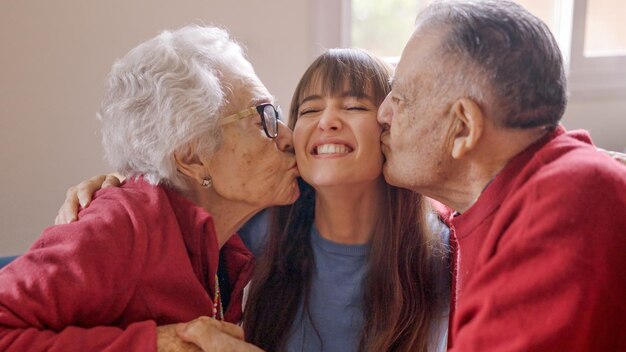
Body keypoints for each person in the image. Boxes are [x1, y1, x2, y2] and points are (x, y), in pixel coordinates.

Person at [55, 48, 451, 351]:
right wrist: (121, 182)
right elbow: (178, 188)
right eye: (310, 110)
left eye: (353, 106)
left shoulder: (441, 249)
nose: (328, 120)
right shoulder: (256, 225)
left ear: (387, 126)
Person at [0, 25, 297, 351]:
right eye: (263, 118)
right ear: (193, 156)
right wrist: (159, 344)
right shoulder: (124, 226)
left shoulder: (225, 241)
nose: (287, 136)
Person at [376, 0, 626, 351]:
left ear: (463, 127)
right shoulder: (480, 200)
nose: (382, 114)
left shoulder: (575, 198)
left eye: (400, 97)